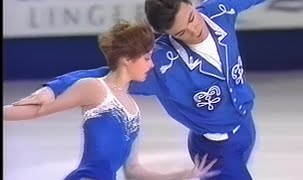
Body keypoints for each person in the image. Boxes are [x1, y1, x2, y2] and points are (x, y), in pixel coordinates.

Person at [12, 0, 266, 179]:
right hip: (215, 150)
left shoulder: (218, 12)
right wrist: (53, 90)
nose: (193, 29)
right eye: (180, 32)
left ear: (194, 4)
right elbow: (100, 76)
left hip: (245, 128)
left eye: (191, 17)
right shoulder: (160, 65)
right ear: (165, 34)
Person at [4, 20, 219, 180]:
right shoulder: (95, 89)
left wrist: (183, 175)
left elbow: (134, 171)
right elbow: (37, 110)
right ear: (126, 59)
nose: (152, 65)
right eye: (146, 58)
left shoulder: (133, 109)